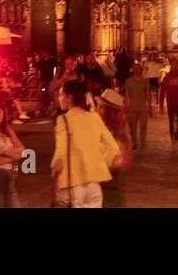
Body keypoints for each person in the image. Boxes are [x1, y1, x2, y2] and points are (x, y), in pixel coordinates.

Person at [50, 79, 120, 208]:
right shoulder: (94, 117)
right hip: (94, 185)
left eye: (61, 95)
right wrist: (100, 164)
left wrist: (54, 169)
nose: (59, 98)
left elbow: (61, 153)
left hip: (72, 185)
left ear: (69, 98)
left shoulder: (63, 120)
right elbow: (113, 148)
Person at [96, 89, 132, 208]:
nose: (97, 109)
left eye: (100, 107)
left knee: (112, 200)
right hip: (108, 171)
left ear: (108, 110)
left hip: (109, 171)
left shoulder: (111, 127)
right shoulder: (113, 124)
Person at [123, 62, 150, 150]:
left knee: (143, 125)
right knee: (132, 126)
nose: (136, 70)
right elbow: (126, 94)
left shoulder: (145, 81)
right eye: (134, 68)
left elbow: (147, 94)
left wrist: (149, 105)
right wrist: (125, 106)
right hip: (132, 106)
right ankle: (134, 142)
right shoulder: (128, 81)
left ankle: (143, 142)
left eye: (138, 68)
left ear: (141, 70)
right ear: (133, 70)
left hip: (142, 106)